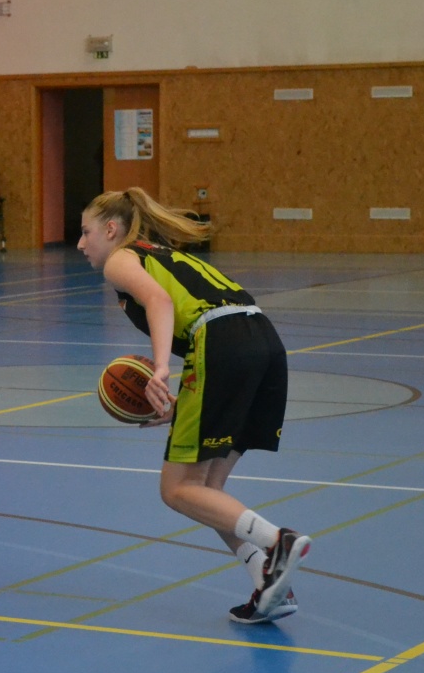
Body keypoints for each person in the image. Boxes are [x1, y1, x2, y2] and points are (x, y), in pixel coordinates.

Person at [78, 187, 311, 624]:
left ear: (110, 230)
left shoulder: (120, 260)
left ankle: (277, 542)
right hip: (263, 342)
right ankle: (266, 581)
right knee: (206, 491)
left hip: (220, 345)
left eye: (86, 232)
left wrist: (161, 369)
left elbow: (160, 301)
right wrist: (185, 398)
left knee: (176, 489)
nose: (80, 243)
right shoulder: (165, 255)